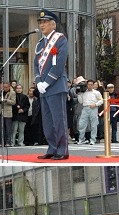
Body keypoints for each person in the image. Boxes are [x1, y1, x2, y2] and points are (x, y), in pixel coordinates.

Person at [34, 9, 69, 160]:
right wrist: (38, 82)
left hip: (56, 86)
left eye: (45, 22)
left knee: (58, 120)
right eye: (40, 22)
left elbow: (59, 64)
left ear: (53, 24)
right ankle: (52, 147)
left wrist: (47, 82)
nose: (42, 25)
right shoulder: (40, 43)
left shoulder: (60, 40)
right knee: (47, 121)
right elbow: (36, 64)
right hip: (43, 88)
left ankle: (62, 149)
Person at [76, 79, 103, 145]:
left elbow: (101, 100)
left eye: (91, 84)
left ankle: (93, 139)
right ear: (87, 85)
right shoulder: (84, 92)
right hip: (85, 108)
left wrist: (95, 104)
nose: (90, 86)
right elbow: (80, 101)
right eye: (88, 84)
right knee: (82, 124)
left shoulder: (96, 92)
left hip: (93, 108)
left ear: (93, 85)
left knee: (94, 125)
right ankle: (81, 139)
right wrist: (79, 94)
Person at [0, 82, 15, 147]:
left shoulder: (12, 93)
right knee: (1, 128)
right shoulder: (0, 92)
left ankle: (8, 142)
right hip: (0, 111)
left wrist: (6, 100)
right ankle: (2, 142)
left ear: (9, 87)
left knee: (8, 128)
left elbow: (13, 102)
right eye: (4, 87)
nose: (5, 88)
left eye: (6, 87)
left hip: (8, 112)